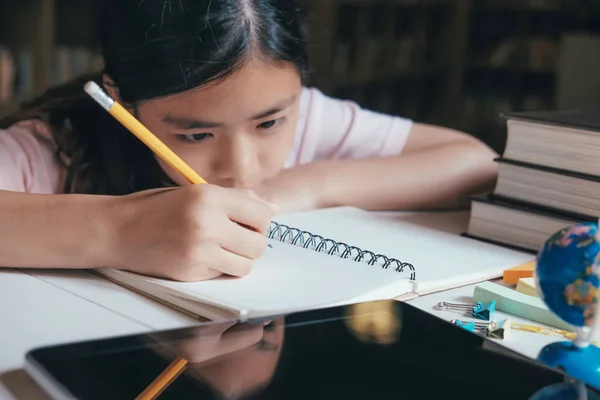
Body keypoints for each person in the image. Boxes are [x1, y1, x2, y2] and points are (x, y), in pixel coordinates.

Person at [0, 0, 498, 282]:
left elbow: (476, 161)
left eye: (269, 125)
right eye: (195, 133)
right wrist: (120, 230)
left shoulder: (311, 121)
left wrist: (308, 186)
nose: (240, 167)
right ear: (121, 101)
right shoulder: (53, 148)